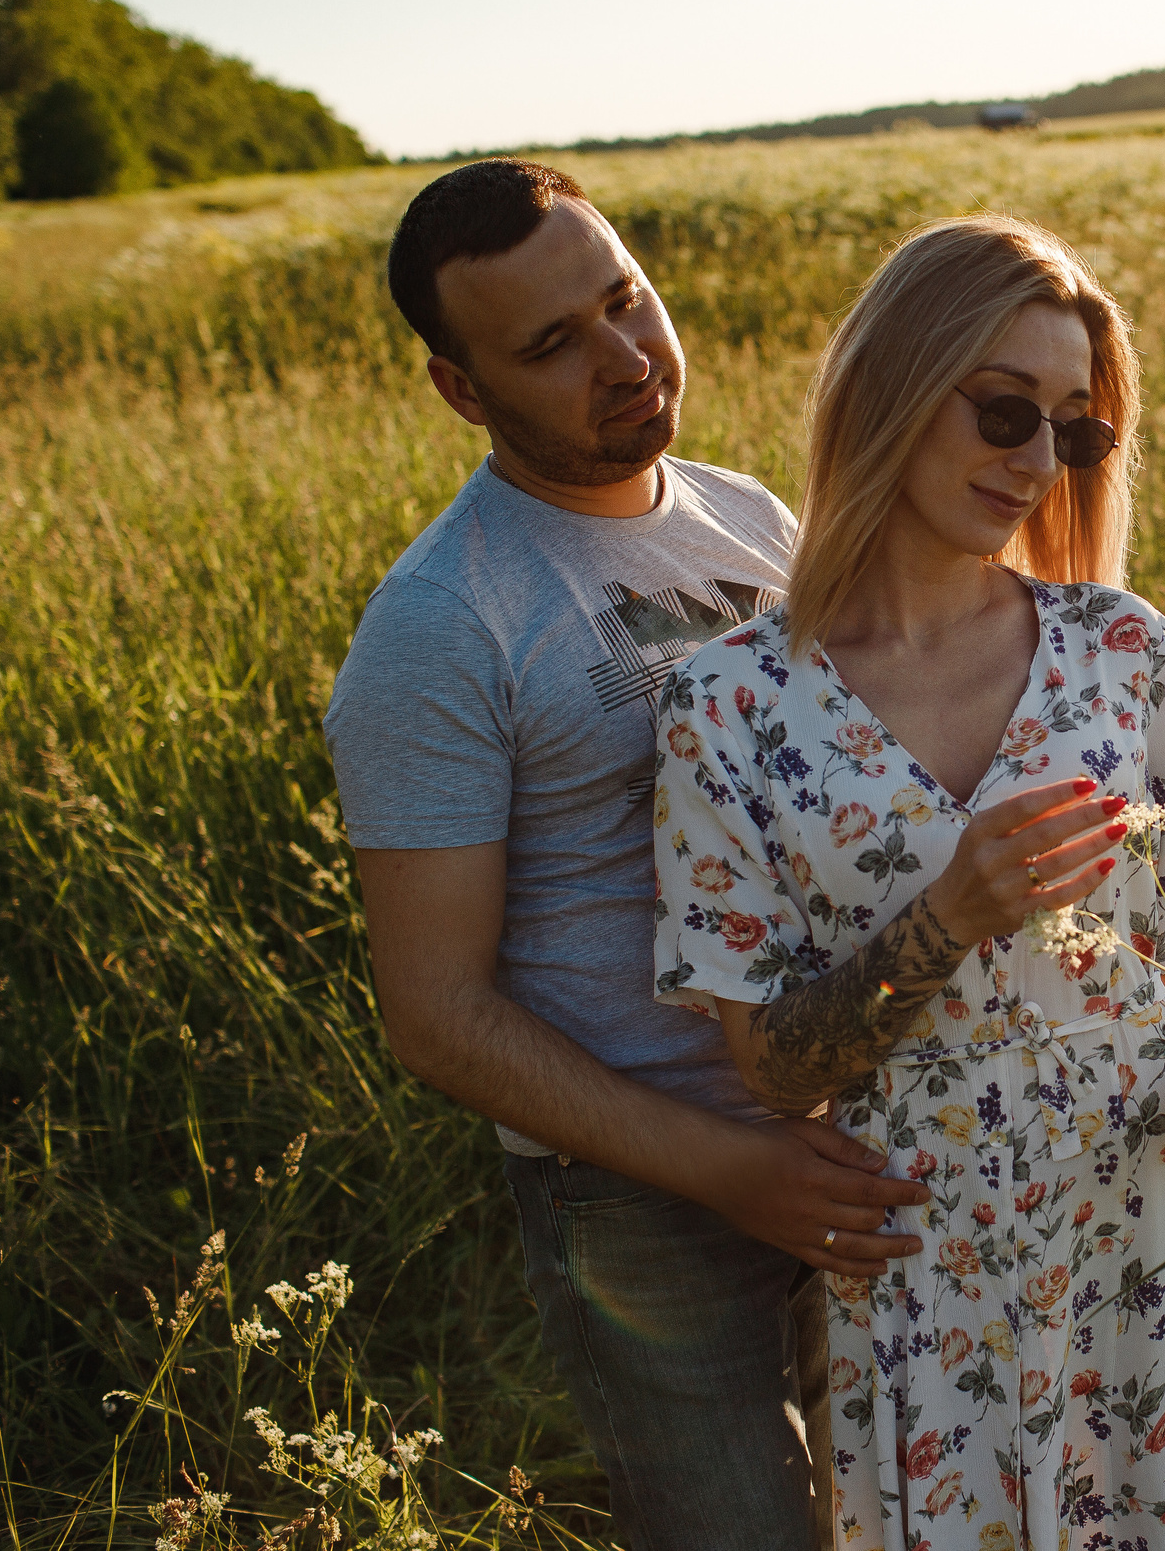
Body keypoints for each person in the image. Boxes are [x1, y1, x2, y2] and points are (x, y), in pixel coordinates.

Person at [649, 215, 1165, 1551]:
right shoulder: (727, 707)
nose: (1034, 462)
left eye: (1076, 430)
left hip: (1162, 1226)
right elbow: (773, 1069)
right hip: (930, 1266)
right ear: (891, 384)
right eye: (1006, 409)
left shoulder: (1120, 644)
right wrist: (948, 916)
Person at [323, 158, 930, 1551]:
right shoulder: (440, 625)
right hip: (643, 1195)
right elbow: (435, 1016)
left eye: (625, 299)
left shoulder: (752, 517)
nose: (625, 356)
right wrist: (724, 1166)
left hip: (851, 1134)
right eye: (550, 345)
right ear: (461, 391)